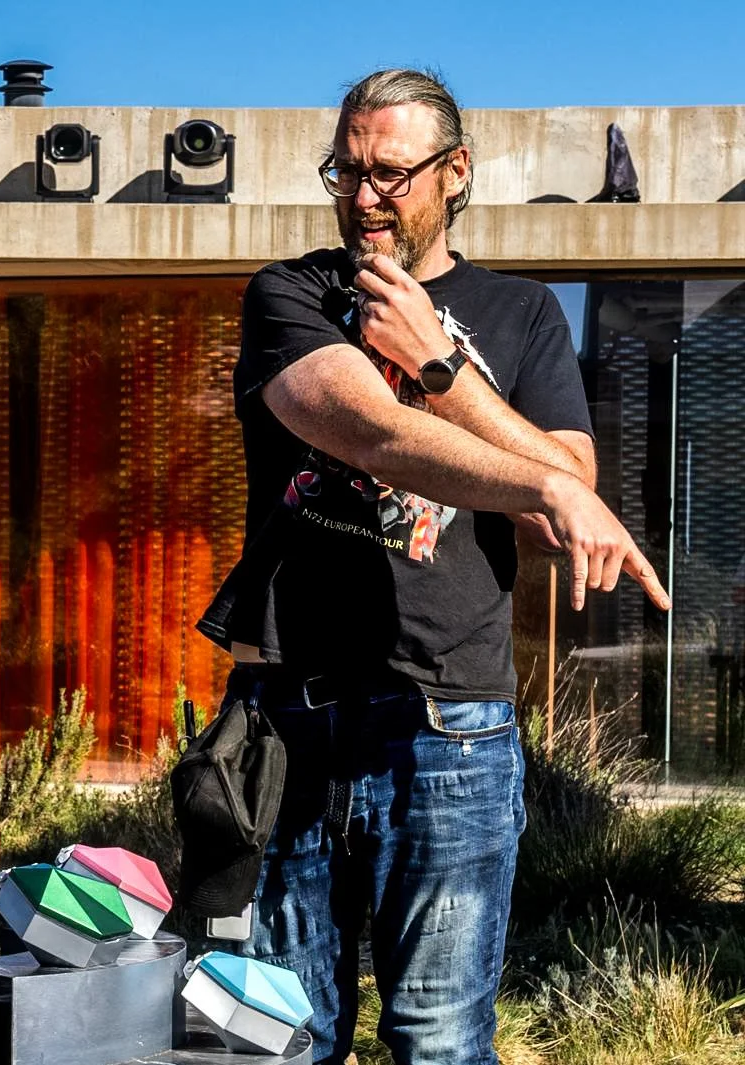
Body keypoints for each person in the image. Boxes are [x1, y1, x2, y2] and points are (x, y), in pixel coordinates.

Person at [194, 69, 671, 1065]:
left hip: (451, 725)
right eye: (346, 170)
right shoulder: (294, 292)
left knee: (441, 1037)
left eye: (390, 174)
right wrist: (543, 487)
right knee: (273, 1039)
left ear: (453, 174)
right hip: (292, 718)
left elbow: (570, 477)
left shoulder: (523, 313)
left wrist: (439, 364)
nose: (362, 196)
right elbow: (360, 426)